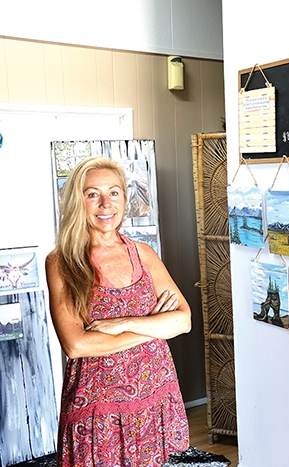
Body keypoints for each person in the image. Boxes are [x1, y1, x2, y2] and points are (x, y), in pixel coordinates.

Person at [46, 156, 191, 466]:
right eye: (92, 194)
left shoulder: (144, 253)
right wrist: (153, 326)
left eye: (113, 192)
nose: (104, 204)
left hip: (154, 391)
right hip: (98, 403)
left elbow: (183, 320)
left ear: (125, 199)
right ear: (77, 201)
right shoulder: (62, 262)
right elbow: (76, 344)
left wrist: (122, 323)